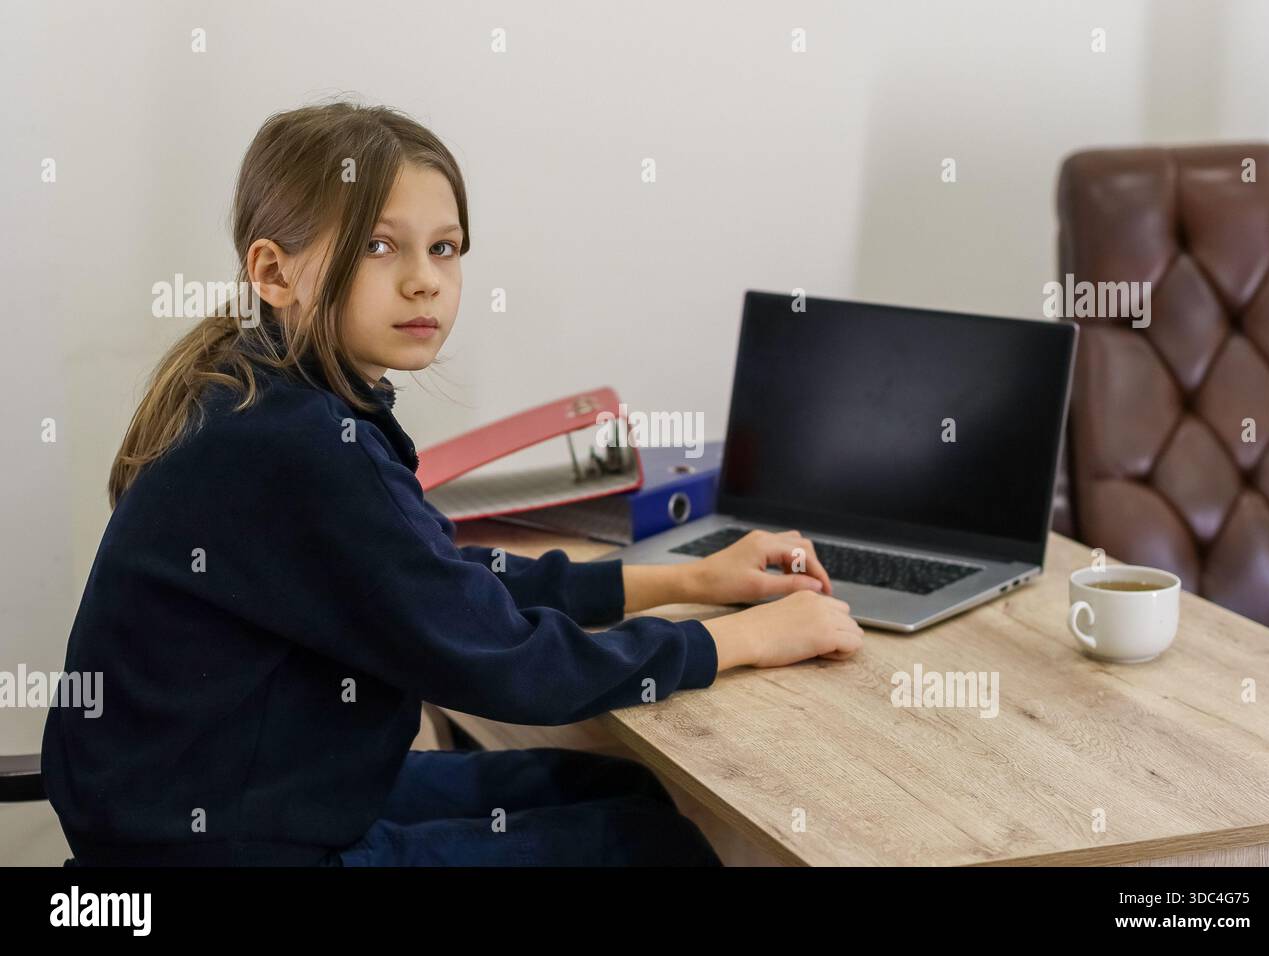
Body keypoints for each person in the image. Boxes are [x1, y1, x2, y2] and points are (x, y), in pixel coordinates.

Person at [41, 101, 863, 866]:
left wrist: (692, 579)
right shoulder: (301, 448)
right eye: (378, 246)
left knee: (623, 792)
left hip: (219, 797)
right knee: (644, 844)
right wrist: (743, 640)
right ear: (273, 271)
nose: (424, 279)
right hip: (220, 842)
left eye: (443, 248)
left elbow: (445, 585)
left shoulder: (262, 391)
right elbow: (503, 663)